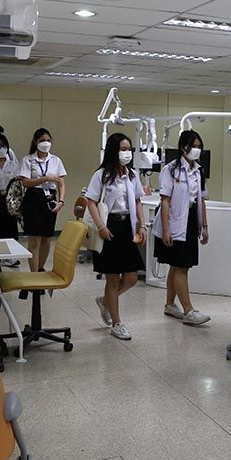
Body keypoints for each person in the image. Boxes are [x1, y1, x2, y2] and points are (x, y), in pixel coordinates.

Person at [85, 133, 146, 340]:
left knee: (131, 277)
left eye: (129, 149)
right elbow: (91, 202)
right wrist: (101, 226)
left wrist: (142, 225)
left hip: (127, 227)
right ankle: (117, 323)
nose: (127, 153)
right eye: (123, 149)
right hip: (109, 226)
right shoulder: (101, 175)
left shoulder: (132, 175)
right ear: (114, 151)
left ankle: (105, 301)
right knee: (112, 278)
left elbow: (137, 201)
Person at [154, 130, 210, 326]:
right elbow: (165, 201)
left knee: (177, 265)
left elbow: (201, 200)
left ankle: (170, 305)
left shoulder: (199, 171)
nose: (196, 150)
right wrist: (166, 229)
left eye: (199, 146)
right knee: (181, 267)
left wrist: (204, 226)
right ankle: (188, 311)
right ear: (182, 147)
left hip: (191, 220)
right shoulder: (170, 170)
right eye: (193, 146)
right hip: (174, 221)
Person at [19, 129, 66, 272]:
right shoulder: (28, 160)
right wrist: (44, 179)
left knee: (47, 237)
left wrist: (61, 201)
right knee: (34, 239)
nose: (45, 143)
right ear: (35, 142)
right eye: (42, 141)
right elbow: (25, 182)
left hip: (50, 198)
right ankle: (34, 274)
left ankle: (40, 268)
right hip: (33, 198)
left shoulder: (56, 160)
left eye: (48, 141)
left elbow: (61, 184)